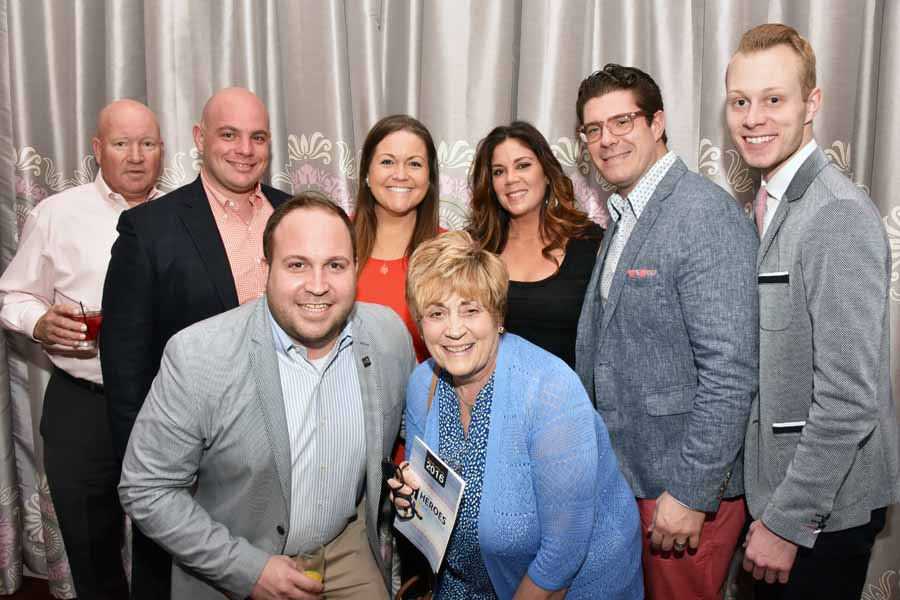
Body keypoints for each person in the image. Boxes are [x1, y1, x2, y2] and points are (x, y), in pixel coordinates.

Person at [119, 193, 416, 600]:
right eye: (297, 265)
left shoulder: (388, 335)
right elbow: (145, 488)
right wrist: (245, 568)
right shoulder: (199, 355)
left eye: (335, 265)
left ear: (355, 269)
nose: (318, 286)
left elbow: (412, 432)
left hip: (345, 544)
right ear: (267, 270)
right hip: (239, 556)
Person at [726, 23, 899, 600]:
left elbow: (850, 399)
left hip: (819, 516)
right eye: (741, 101)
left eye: (774, 100)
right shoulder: (769, 200)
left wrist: (786, 522)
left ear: (811, 105)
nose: (754, 118)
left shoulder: (835, 214)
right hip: (785, 499)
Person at [573, 64, 759, 600]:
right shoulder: (627, 212)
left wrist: (691, 492)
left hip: (680, 495)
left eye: (622, 121)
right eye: (593, 129)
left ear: (657, 123)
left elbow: (730, 371)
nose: (607, 140)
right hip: (632, 485)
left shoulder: (702, 214)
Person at [101, 87, 291, 599]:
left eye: (258, 137)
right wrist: (148, 480)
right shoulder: (149, 229)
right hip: (192, 466)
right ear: (199, 139)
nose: (244, 149)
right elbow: (126, 368)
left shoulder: (294, 216)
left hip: (287, 456)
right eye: (229, 135)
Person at [389, 231, 643, 600]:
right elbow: (428, 495)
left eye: (471, 310)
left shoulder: (550, 391)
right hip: (464, 582)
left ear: (497, 315)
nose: (454, 329)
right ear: (419, 323)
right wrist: (409, 499)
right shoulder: (422, 384)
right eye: (436, 313)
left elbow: (564, 549)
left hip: (573, 586)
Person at [0, 99, 163, 599]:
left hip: (167, 407)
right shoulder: (57, 214)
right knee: (92, 550)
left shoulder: (184, 214)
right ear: (98, 149)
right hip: (82, 404)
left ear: (163, 150)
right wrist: (40, 322)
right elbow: (13, 294)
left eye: (148, 144)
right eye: (121, 144)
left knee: (171, 546)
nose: (135, 156)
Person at [467, 121, 601, 368]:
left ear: (547, 173)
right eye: (499, 171)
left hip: (567, 400)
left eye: (523, 165)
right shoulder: (472, 248)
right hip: (491, 400)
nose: (510, 179)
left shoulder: (591, 242)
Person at [355, 114, 442, 363]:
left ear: (430, 178)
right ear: (367, 174)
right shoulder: (333, 239)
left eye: (414, 164)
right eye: (387, 162)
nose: (400, 174)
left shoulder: (450, 252)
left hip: (425, 397)